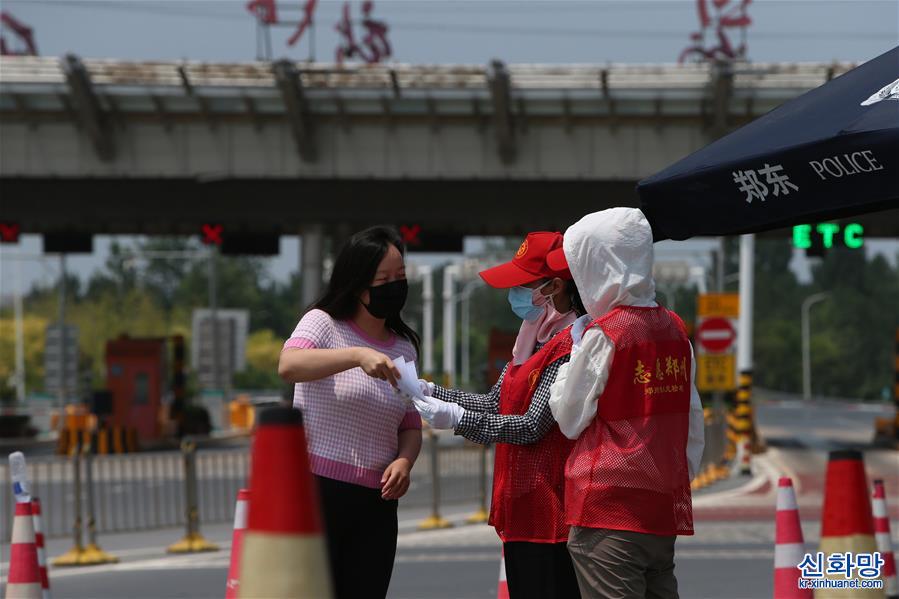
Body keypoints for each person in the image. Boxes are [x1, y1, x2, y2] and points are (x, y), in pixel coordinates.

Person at [409, 231, 586, 599]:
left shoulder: (570, 345)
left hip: (551, 511)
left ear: (555, 286)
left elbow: (533, 425)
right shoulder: (532, 339)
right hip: (521, 504)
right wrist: (430, 391)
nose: (516, 295)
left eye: (524, 285)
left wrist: (458, 419)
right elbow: (495, 402)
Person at [548, 208, 705, 599]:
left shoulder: (605, 334)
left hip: (606, 510)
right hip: (659, 510)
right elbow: (692, 423)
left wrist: (575, 353)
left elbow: (569, 417)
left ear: (597, 265)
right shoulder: (675, 330)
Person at [277, 226, 422, 599]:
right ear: (358, 284)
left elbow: (409, 422)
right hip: (316, 490)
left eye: (401, 277)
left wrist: (405, 461)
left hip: (376, 502)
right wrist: (356, 356)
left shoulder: (404, 347)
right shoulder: (323, 324)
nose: (395, 286)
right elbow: (289, 365)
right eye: (384, 279)